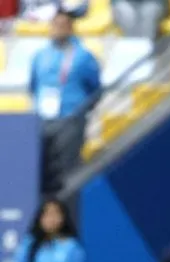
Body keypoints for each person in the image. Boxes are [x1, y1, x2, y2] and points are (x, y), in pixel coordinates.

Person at [29, 10, 100, 194]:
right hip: (43, 118)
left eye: (63, 25)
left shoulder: (83, 56)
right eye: (55, 25)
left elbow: (96, 88)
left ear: (70, 28)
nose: (58, 29)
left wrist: (81, 111)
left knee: (66, 169)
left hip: (70, 118)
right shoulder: (40, 55)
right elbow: (33, 84)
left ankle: (67, 208)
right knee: (40, 169)